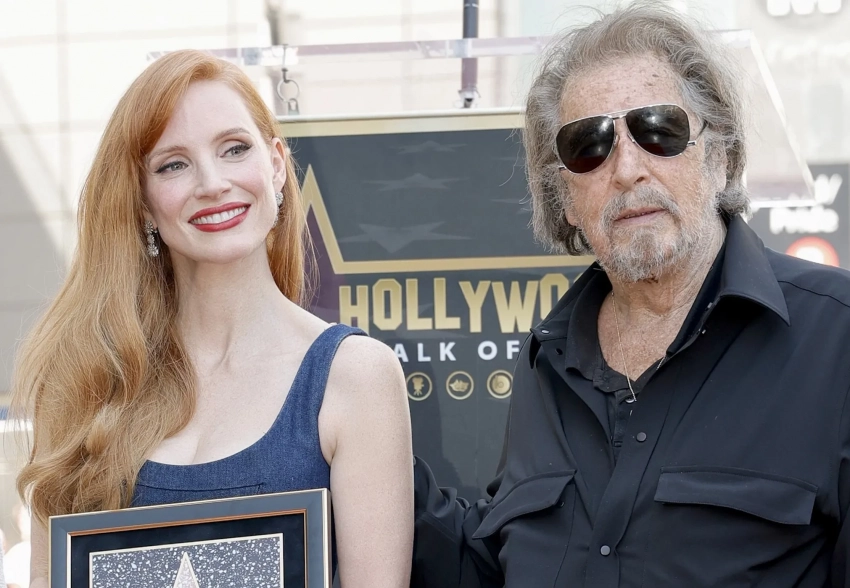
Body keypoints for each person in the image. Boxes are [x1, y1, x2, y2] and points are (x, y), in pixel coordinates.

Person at [411, 2, 850, 587]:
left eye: (659, 130)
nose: (626, 169)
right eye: (588, 145)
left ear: (720, 159)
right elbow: (499, 568)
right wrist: (363, 444)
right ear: (566, 199)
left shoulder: (836, 339)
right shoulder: (550, 362)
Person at [11, 49, 413, 588]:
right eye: (173, 164)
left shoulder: (356, 377)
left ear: (275, 165)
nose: (212, 182)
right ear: (143, 202)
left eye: (234, 149)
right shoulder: (86, 381)